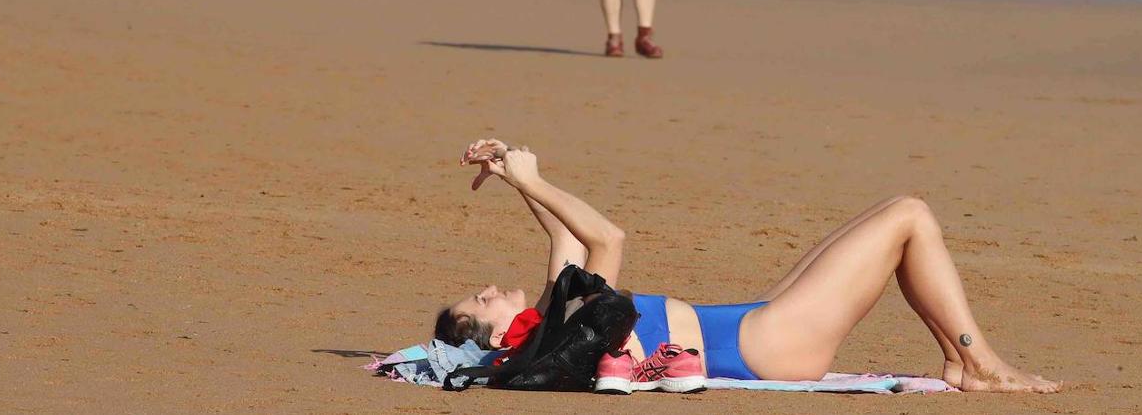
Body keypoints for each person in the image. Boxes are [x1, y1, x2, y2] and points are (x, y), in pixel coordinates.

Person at [439, 138, 1063, 395]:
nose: (489, 288)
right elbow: (607, 238)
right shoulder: (556, 335)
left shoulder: (550, 320)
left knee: (896, 212)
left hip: (751, 323)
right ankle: (977, 362)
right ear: (497, 337)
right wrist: (534, 180)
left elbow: (565, 235)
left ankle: (959, 359)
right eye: (481, 300)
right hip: (764, 346)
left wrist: (513, 175)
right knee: (910, 215)